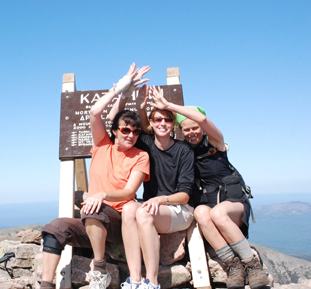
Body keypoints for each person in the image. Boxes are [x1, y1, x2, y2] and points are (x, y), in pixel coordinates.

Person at [40, 63, 151, 289]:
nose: (131, 135)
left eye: (136, 131)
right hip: (93, 222)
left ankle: (99, 269)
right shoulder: (101, 145)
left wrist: (101, 194)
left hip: (120, 222)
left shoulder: (141, 156)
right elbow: (94, 112)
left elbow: (130, 192)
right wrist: (120, 88)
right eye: (125, 130)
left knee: (93, 208)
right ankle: (46, 284)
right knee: (55, 228)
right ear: (115, 131)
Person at [149, 86, 269, 289]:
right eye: (186, 129)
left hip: (233, 204)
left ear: (202, 128)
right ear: (181, 131)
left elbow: (204, 120)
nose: (191, 132)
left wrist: (169, 105)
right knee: (201, 214)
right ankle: (233, 265)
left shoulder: (216, 142)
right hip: (209, 205)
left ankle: (252, 264)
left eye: (195, 127)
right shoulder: (184, 151)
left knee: (218, 214)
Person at [107, 84, 195, 289]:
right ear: (152, 123)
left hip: (178, 209)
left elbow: (185, 196)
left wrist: (160, 199)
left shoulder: (184, 151)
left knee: (143, 213)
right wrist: (139, 103)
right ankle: (135, 280)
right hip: (152, 206)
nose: (162, 123)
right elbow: (124, 122)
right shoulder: (145, 144)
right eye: (157, 119)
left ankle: (152, 282)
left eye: (167, 119)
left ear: (173, 125)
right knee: (129, 208)